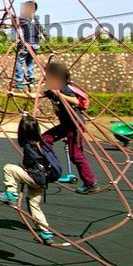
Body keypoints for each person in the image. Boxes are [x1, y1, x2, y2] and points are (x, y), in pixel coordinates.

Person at [41, 61, 101, 194]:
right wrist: (14, 94)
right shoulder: (52, 90)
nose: (46, 79)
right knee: (45, 139)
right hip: (65, 124)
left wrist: (59, 94)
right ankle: (52, 166)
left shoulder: (63, 88)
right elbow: (36, 96)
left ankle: (91, 183)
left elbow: (75, 101)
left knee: (76, 155)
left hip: (74, 124)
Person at [0, 115, 58, 244]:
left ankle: (12, 194)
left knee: (8, 168)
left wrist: (25, 169)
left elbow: (30, 162)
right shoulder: (43, 142)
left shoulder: (29, 146)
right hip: (43, 180)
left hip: (34, 178)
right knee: (34, 204)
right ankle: (46, 233)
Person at [13, 1, 42, 91]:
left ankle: (19, 81)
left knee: (19, 62)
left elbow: (16, 24)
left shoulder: (23, 19)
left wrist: (13, 18)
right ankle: (31, 77)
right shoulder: (36, 21)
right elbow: (42, 31)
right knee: (30, 61)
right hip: (36, 45)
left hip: (26, 44)